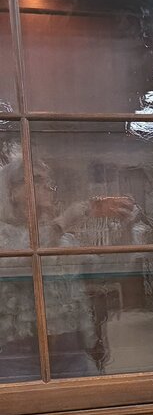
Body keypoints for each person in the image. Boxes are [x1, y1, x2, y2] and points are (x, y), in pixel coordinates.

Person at [0, 138, 136, 381]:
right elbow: (18, 262)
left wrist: (126, 229)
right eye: (36, 179)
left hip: (71, 352)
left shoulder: (64, 240)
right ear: (12, 191)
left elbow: (106, 272)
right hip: (18, 355)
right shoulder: (4, 235)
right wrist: (64, 221)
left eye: (47, 181)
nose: (46, 187)